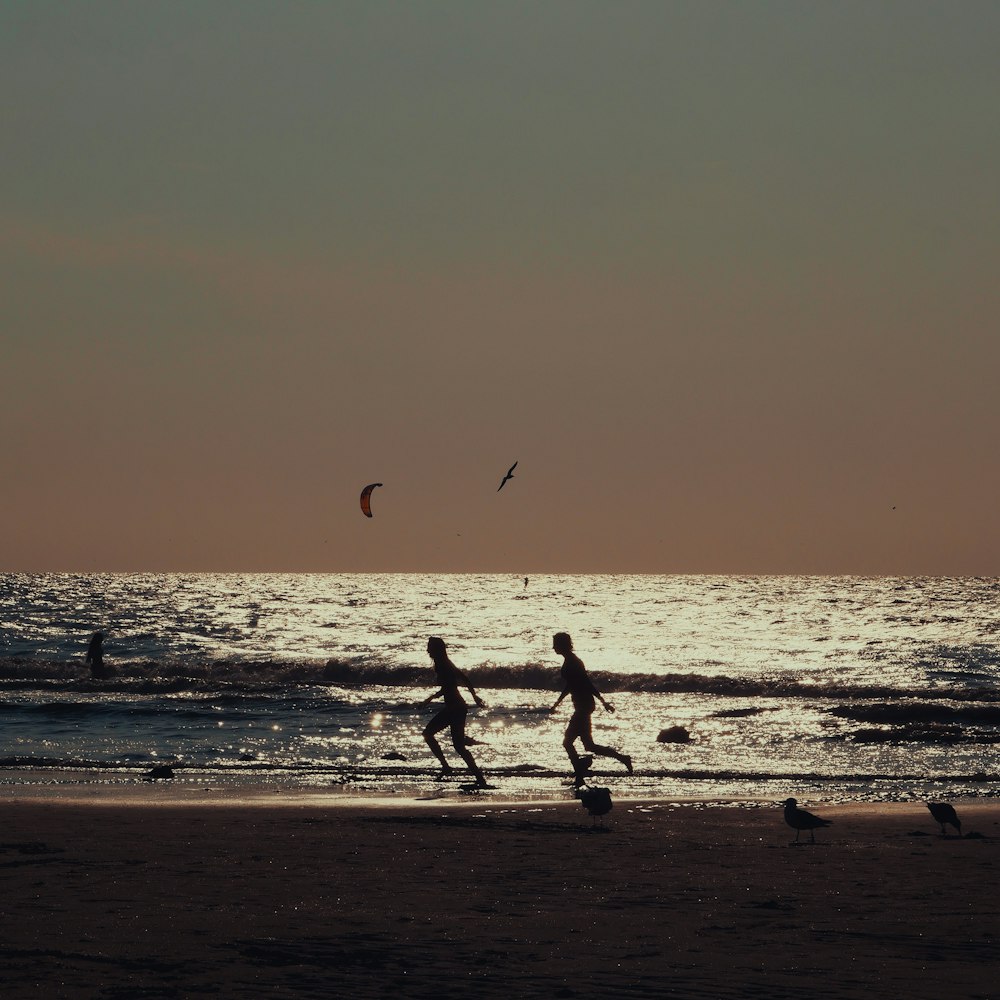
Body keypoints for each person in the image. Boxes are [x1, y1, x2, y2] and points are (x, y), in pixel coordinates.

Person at [549, 632, 632, 787]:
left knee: (567, 742)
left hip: (584, 706)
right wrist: (557, 703)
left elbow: (586, 683)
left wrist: (603, 701)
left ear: (563, 645)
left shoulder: (574, 662)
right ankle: (621, 759)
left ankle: (580, 772)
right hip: (581, 705)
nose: (553, 647)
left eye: (555, 644)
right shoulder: (570, 661)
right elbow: (571, 685)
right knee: (589, 745)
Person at [421, 637, 490, 788]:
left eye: (429, 648)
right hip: (456, 708)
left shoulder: (442, 664)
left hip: (455, 709)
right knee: (456, 745)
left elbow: (450, 686)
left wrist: (431, 698)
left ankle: (453, 769)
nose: (427, 651)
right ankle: (476, 776)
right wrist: (474, 696)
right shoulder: (445, 662)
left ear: (436, 649)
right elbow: (464, 679)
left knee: (431, 735)